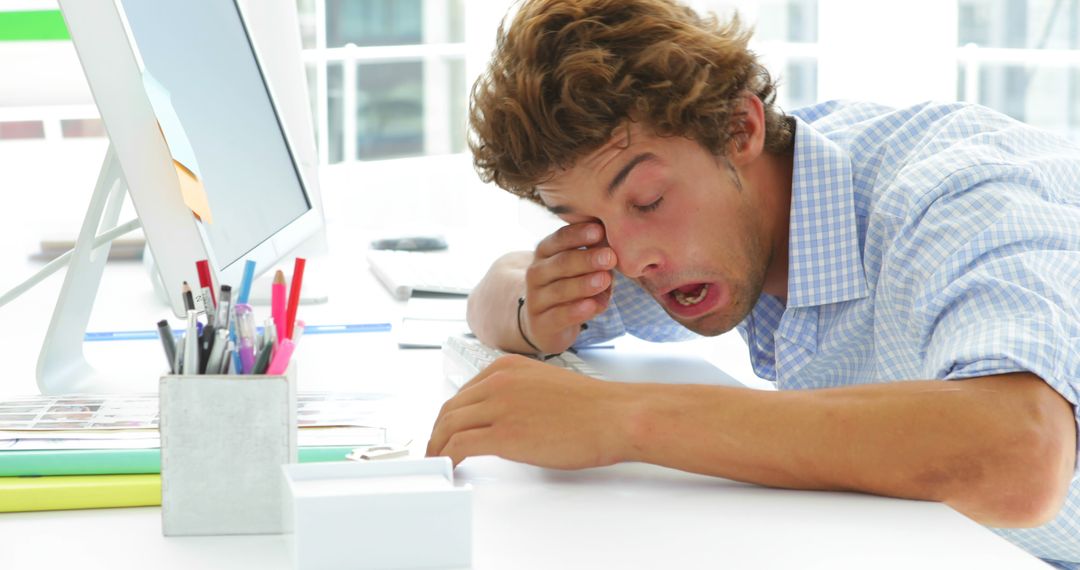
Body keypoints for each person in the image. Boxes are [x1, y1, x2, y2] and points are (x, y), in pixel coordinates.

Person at [425, 0, 1080, 565]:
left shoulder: (952, 195)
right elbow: (497, 288)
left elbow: (1023, 453)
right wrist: (532, 304)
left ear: (741, 128)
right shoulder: (706, 233)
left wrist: (621, 419)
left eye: (647, 200)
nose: (626, 259)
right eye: (583, 220)